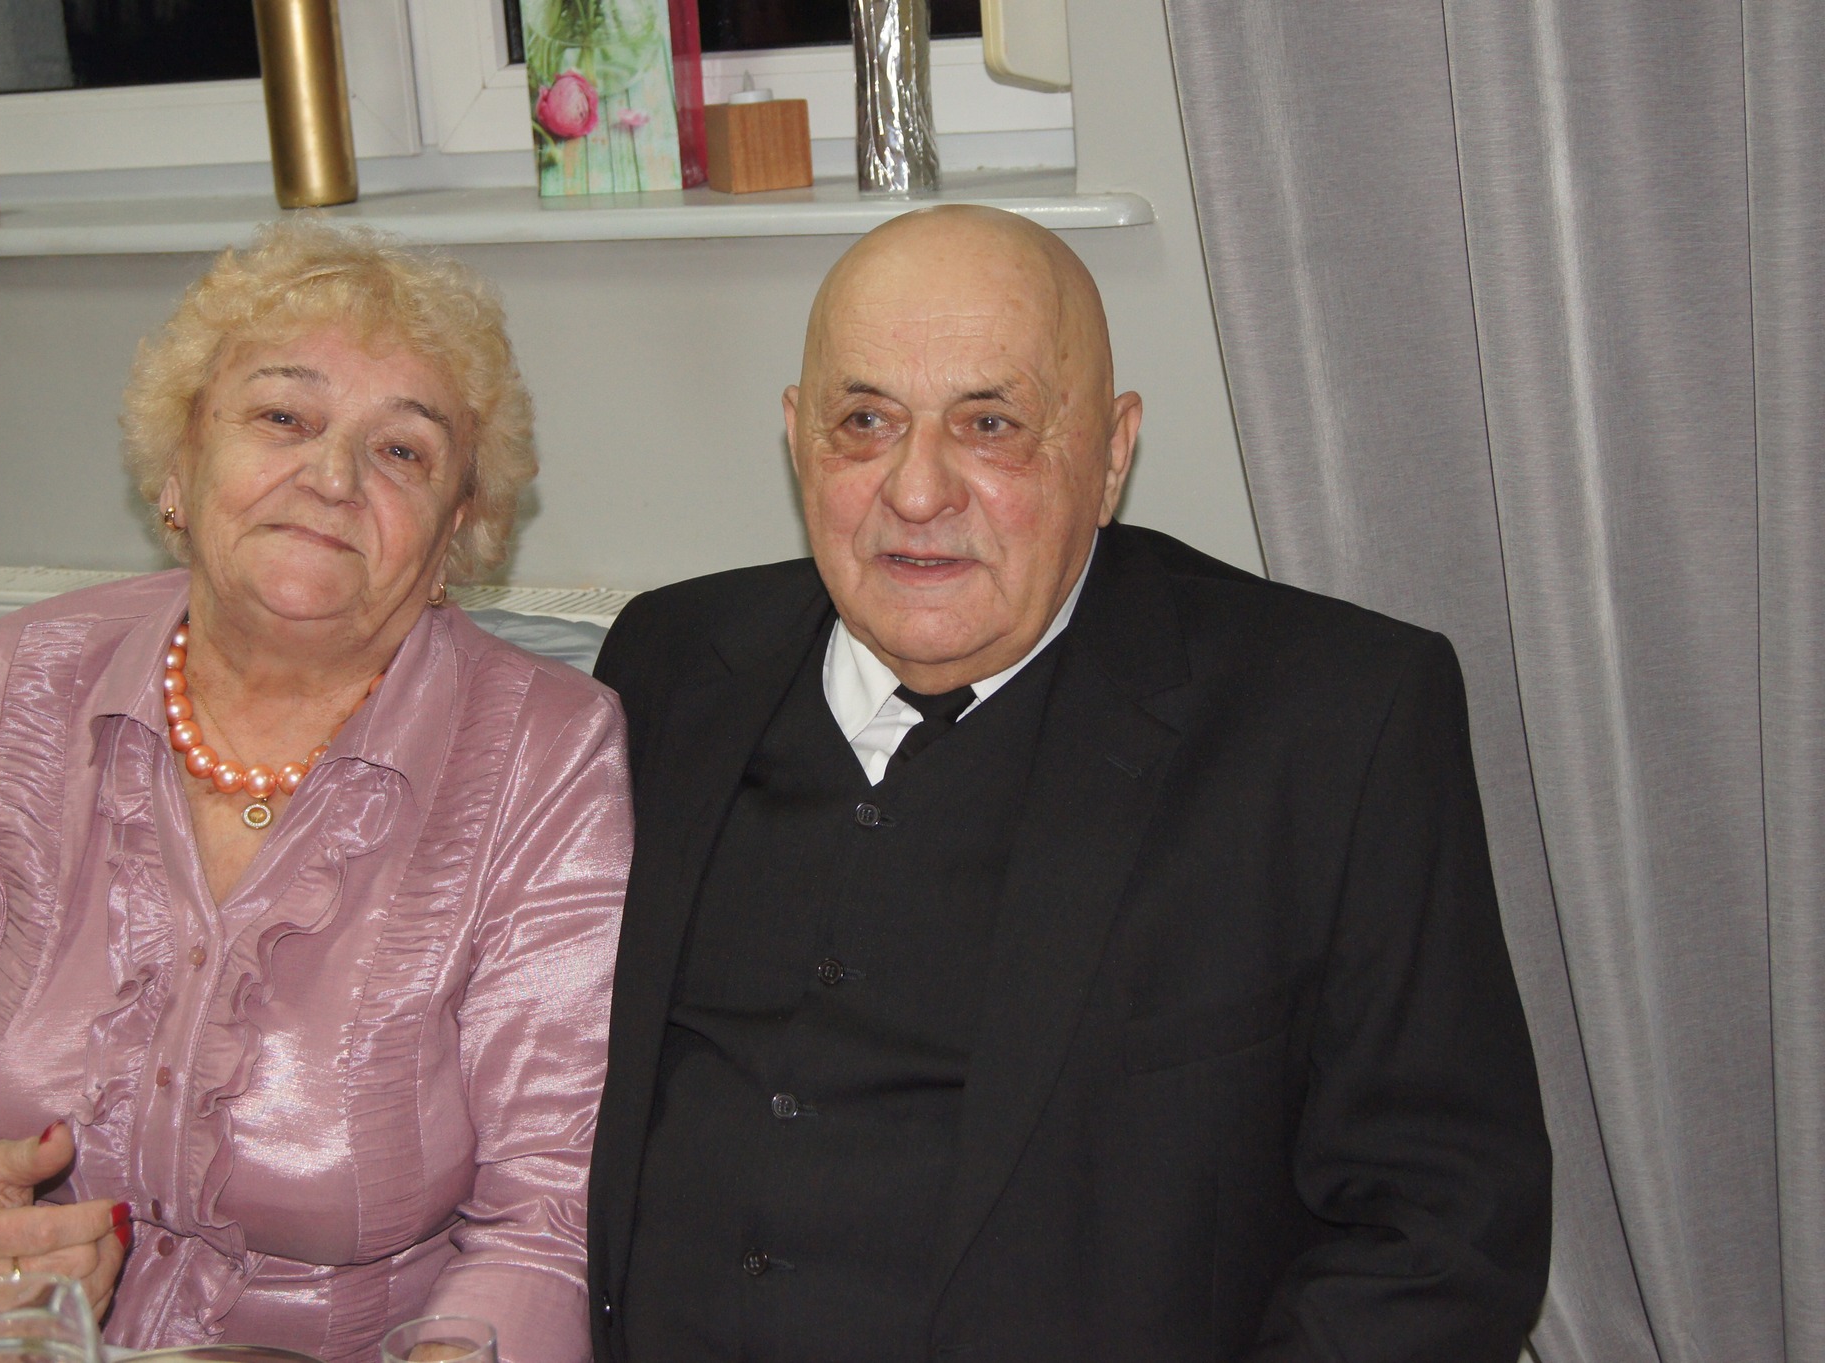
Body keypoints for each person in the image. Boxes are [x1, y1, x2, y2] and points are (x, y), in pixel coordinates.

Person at [585, 205, 1551, 1361]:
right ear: (797, 439)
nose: (916, 490)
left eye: (989, 425)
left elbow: (1442, 1226)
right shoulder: (667, 667)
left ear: (1109, 453)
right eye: (864, 421)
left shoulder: (1328, 721)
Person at [0, 222, 628, 1363]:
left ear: (457, 535)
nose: (332, 478)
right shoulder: (1, 690)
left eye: (402, 451)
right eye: (282, 417)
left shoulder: (545, 753)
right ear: (178, 467)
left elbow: (547, 1220)